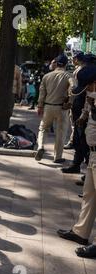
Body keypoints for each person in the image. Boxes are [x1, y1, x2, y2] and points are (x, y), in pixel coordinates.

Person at [57, 65, 96, 258]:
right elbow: (88, 111)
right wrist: (82, 118)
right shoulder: (92, 96)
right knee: (89, 195)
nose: (86, 90)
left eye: (87, 86)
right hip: (93, 154)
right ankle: (81, 232)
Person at [35, 54, 73, 163]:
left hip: (48, 107)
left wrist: (40, 106)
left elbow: (42, 93)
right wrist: (70, 101)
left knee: (43, 129)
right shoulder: (68, 76)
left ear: (56, 63)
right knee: (60, 132)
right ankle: (58, 157)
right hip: (62, 108)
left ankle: (40, 146)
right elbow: (74, 87)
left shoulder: (47, 76)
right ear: (66, 64)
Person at [62, 51, 90, 174]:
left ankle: (89, 172)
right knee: (79, 140)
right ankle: (77, 164)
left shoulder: (85, 72)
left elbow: (80, 93)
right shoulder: (84, 72)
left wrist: (84, 114)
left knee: (84, 142)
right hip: (80, 110)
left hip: (84, 112)